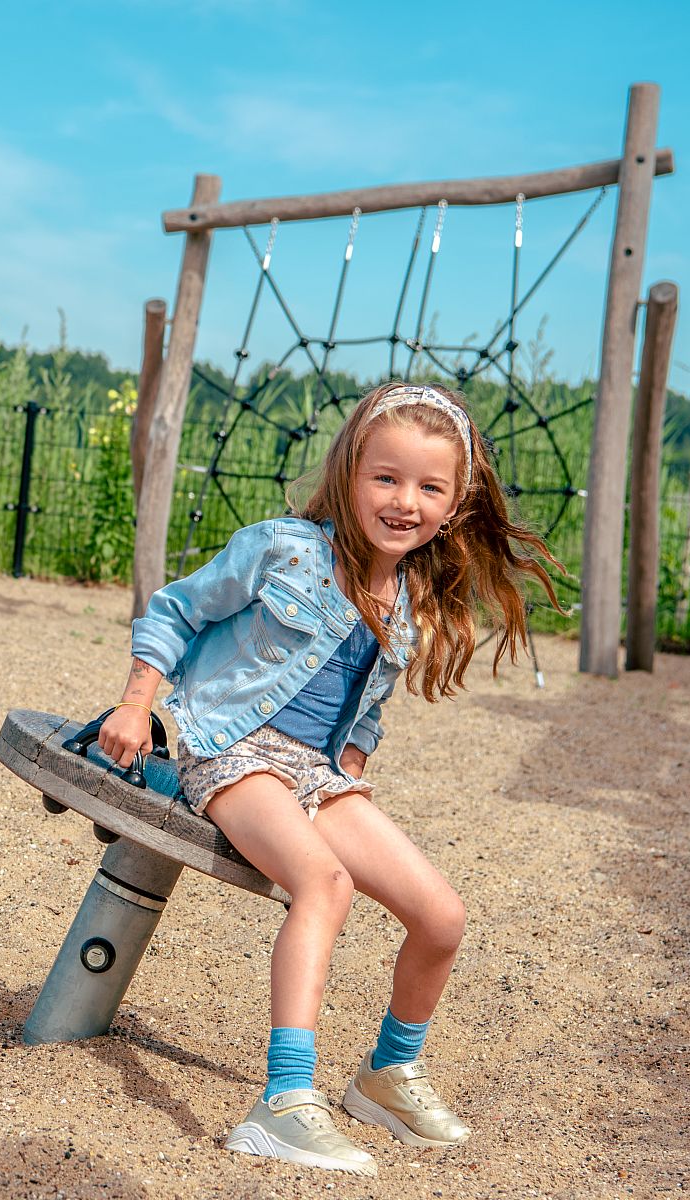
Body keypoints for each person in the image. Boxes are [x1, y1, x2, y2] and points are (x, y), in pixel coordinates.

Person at [97, 381, 560, 1177]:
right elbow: (177, 609)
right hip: (230, 746)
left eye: (428, 487)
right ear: (350, 474)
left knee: (442, 916)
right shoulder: (283, 547)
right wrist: (136, 705)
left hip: (310, 772)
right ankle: (281, 1103)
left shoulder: (409, 596)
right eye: (386, 477)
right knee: (326, 884)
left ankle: (385, 1076)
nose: (404, 500)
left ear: (453, 506)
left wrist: (348, 779)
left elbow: (364, 711)